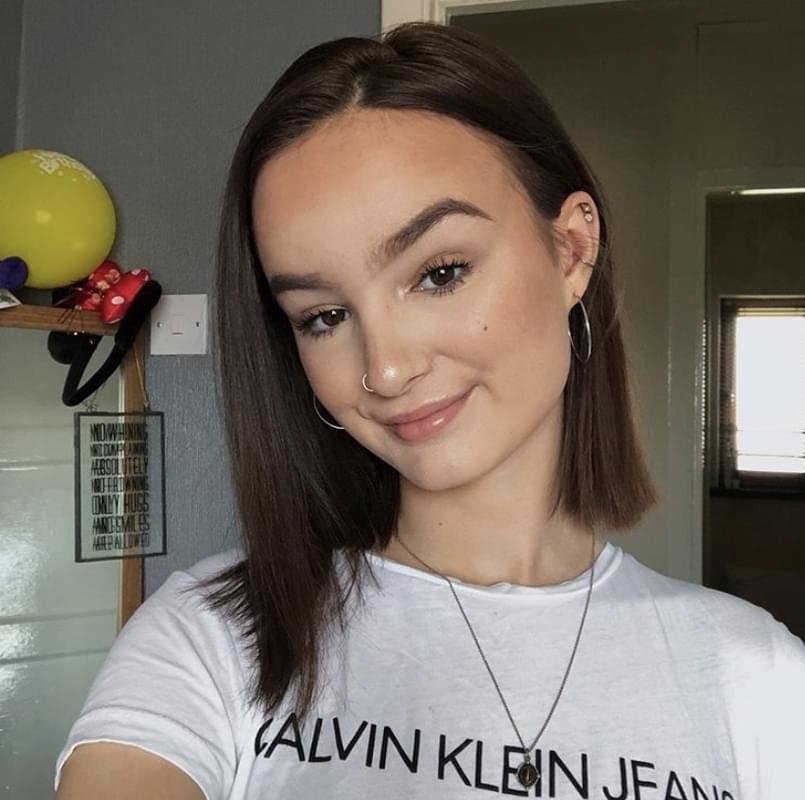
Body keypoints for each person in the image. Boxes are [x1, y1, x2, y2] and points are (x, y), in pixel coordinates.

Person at [55, 20, 805, 800]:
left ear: (571, 249)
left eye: (440, 273)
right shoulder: (212, 640)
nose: (385, 369)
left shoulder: (756, 678)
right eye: (323, 316)